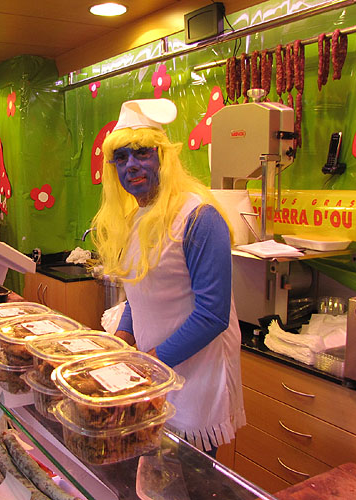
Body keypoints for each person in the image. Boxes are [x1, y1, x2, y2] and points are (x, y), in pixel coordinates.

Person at [91, 98, 245, 456]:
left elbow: (213, 315)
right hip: (155, 370)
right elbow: (138, 293)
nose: (131, 165)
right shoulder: (136, 217)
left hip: (196, 375)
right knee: (153, 469)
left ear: (164, 156)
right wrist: (122, 341)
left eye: (142, 152)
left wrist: (149, 365)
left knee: (190, 475)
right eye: (121, 157)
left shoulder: (198, 217)